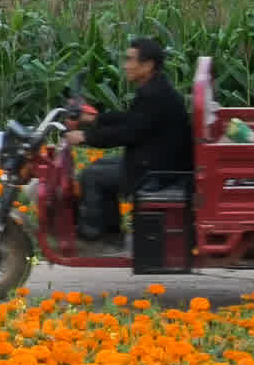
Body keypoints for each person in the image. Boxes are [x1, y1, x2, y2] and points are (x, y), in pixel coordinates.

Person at [79, 35, 197, 276]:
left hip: (158, 171)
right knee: (100, 166)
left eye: (131, 60)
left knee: (92, 176)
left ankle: (99, 238)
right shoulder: (155, 90)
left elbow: (128, 133)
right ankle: (112, 234)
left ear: (148, 65)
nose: (125, 65)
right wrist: (97, 119)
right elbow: (132, 119)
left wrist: (85, 137)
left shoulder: (155, 95)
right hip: (158, 160)